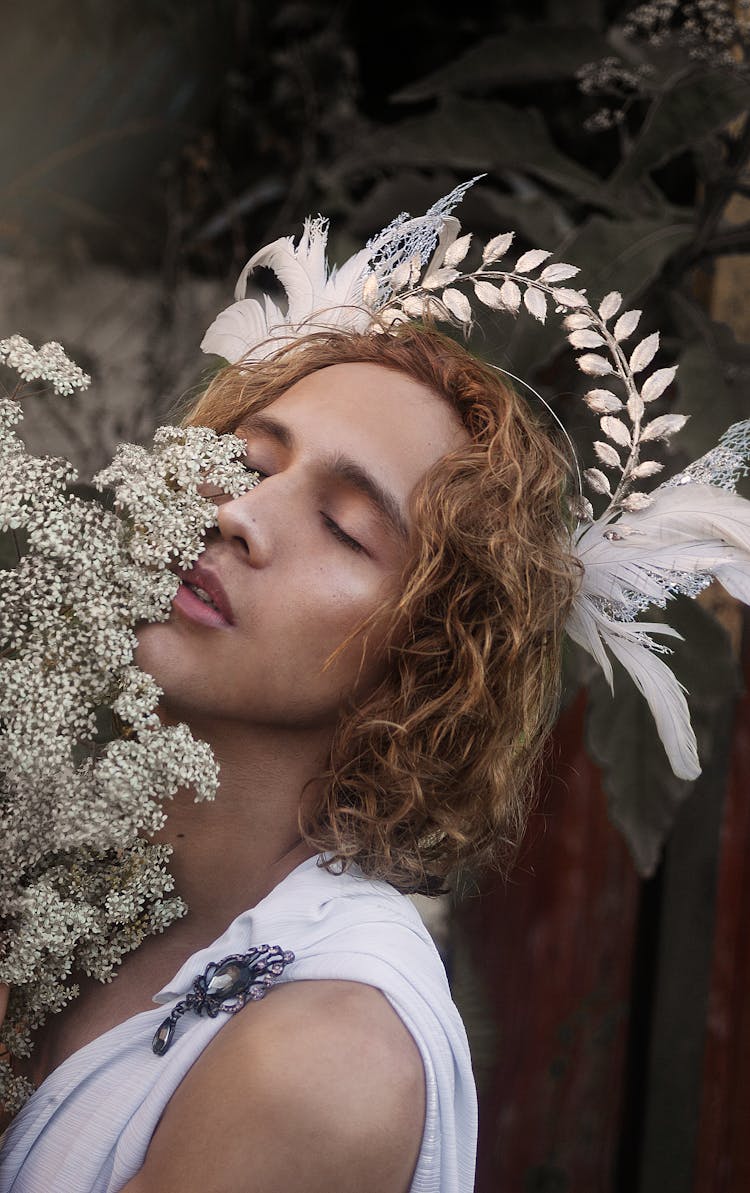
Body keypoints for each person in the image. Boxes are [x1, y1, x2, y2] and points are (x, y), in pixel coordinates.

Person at [0, 321, 581, 1192]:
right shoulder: (67, 862)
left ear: (431, 660)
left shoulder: (328, 1059)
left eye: (346, 529)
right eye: (248, 464)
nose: (238, 514)